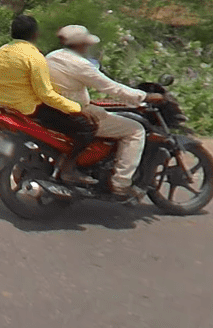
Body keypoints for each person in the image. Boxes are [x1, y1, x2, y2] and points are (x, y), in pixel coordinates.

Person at [0, 15, 106, 194]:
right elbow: (46, 94)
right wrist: (77, 109)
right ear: (35, 34)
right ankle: (69, 168)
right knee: (86, 127)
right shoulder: (34, 57)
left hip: (7, 107)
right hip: (31, 110)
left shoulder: (0, 52)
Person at [44, 24, 158, 201]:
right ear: (82, 45)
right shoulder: (81, 65)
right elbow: (111, 87)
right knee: (135, 130)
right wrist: (146, 96)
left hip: (53, 110)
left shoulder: (52, 57)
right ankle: (121, 184)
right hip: (76, 113)